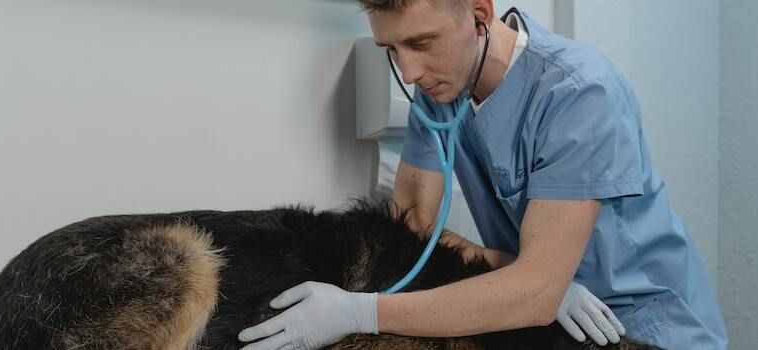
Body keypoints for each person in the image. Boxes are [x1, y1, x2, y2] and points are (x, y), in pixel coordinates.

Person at [238, 1, 728, 349]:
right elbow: (410, 227)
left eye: (421, 43)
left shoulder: (579, 93)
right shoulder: (437, 94)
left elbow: (536, 293)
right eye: (391, 48)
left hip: (645, 325)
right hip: (539, 315)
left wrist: (358, 312)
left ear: (479, 14)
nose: (407, 71)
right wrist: (510, 266)